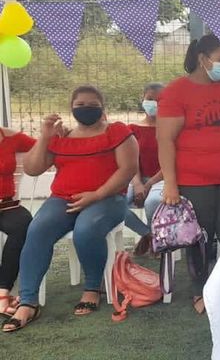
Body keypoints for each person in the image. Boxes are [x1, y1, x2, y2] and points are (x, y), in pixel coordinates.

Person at [5, 86, 138, 332]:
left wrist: (96, 195)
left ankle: (92, 287)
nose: (86, 109)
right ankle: (28, 301)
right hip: (63, 198)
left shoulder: (117, 132)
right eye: (80, 105)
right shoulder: (61, 137)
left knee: (86, 229)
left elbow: (128, 169)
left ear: (102, 107)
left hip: (108, 198)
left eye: (93, 104)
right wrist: (45, 137)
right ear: (71, 108)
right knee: (37, 229)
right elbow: (33, 169)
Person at [157, 34, 220, 315]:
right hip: (194, 180)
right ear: (202, 59)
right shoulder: (177, 91)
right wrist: (170, 184)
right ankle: (200, 290)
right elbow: (165, 140)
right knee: (199, 238)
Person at [124, 83, 165, 255]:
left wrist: (148, 185)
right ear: (142, 99)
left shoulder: (170, 129)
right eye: (150, 99)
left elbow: (171, 162)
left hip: (163, 179)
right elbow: (129, 160)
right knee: (114, 203)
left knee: (152, 201)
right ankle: (148, 234)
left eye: (159, 100)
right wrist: (138, 184)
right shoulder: (132, 129)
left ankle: (155, 240)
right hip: (135, 178)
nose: (154, 103)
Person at [0, 127, 35, 318]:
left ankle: (3, 292)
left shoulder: (12, 138)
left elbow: (43, 147)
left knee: (24, 225)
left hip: (8, 205)